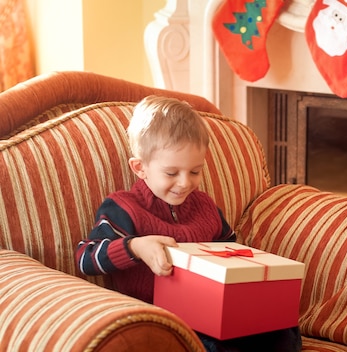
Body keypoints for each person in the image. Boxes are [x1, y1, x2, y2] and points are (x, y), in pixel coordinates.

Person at [75, 95, 301, 351]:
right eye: (172, 173)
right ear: (140, 168)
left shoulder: (205, 207)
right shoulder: (124, 208)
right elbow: (85, 257)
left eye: (195, 171)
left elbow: (229, 249)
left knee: (282, 329)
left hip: (212, 312)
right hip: (161, 319)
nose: (185, 183)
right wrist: (135, 247)